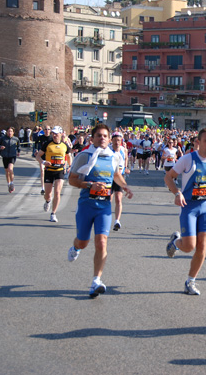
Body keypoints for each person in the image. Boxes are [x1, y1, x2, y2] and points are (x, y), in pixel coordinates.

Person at [67, 124, 133, 298]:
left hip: (104, 206)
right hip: (86, 205)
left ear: (109, 139)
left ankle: (96, 280)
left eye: (105, 136)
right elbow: (72, 180)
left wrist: (125, 186)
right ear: (92, 139)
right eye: (99, 136)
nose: (102, 138)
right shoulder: (84, 156)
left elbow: (116, 175)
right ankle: (75, 247)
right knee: (83, 242)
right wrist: (90, 184)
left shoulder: (113, 157)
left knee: (102, 242)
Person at [165, 128, 206, 295]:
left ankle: (190, 281)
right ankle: (175, 242)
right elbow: (168, 177)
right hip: (189, 207)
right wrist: (177, 193)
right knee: (189, 246)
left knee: (202, 247)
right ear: (198, 142)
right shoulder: (187, 159)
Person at [36, 126, 72, 222]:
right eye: (53, 133)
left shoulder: (64, 145)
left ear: (61, 134)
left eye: (56, 133)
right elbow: (38, 156)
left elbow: (69, 156)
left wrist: (70, 166)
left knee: (57, 192)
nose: (55, 135)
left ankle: (53, 213)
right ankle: (47, 201)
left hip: (59, 171)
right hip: (49, 170)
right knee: (48, 194)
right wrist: (43, 162)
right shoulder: (47, 144)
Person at [110, 132, 129, 231]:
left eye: (119, 140)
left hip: (119, 177)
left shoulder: (123, 149)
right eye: (115, 140)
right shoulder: (108, 150)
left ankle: (117, 220)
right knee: (109, 199)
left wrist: (125, 167)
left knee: (118, 198)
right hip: (109, 177)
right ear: (112, 140)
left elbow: (125, 158)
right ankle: (107, 218)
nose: (117, 142)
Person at [0, 127, 21, 193]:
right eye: (8, 131)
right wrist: (0, 147)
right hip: (5, 156)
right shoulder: (2, 138)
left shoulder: (16, 139)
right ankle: (8, 184)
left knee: (10, 169)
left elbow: (18, 146)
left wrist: (18, 151)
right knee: (7, 171)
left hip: (12, 156)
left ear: (13, 132)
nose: (9, 133)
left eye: (11, 131)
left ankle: (12, 183)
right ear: (6, 132)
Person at [36, 125, 53, 194]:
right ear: (43, 130)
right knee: (42, 171)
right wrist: (36, 150)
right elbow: (36, 144)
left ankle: (49, 186)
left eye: (48, 129)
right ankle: (43, 188)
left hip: (50, 158)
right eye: (45, 129)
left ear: (50, 130)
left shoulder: (52, 138)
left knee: (50, 173)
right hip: (42, 157)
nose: (47, 131)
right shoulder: (41, 137)